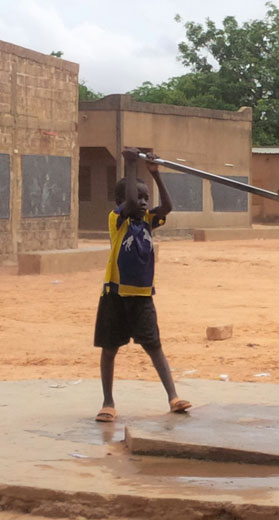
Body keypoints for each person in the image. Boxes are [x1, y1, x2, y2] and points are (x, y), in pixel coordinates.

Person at [93, 148, 191, 423]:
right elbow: (132, 205)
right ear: (121, 201)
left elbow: (168, 207)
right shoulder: (118, 220)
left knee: (154, 346)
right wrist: (131, 166)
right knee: (110, 348)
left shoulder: (148, 221)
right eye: (140, 197)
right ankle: (108, 401)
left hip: (143, 296)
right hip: (115, 295)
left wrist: (155, 176)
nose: (145, 202)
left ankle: (173, 396)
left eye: (147, 197)